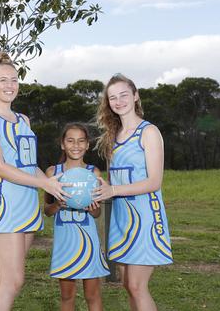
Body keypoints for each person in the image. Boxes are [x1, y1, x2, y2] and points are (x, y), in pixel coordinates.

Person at [0, 52, 71, 311]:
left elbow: (30, 166)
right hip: (6, 203)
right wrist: (44, 185)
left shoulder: (24, 120)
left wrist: (53, 183)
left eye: (14, 80)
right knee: (14, 281)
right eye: (3, 80)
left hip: (28, 203)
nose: (9, 85)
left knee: (3, 277)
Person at [93, 73, 173, 311]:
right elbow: (111, 182)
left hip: (145, 216)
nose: (119, 101)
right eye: (113, 97)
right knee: (128, 285)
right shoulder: (113, 137)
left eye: (124, 95)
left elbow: (154, 182)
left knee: (138, 286)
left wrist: (113, 189)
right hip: (122, 219)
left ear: (136, 96)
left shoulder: (148, 132)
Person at [44, 123, 109, 311]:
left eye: (81, 141)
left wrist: (92, 208)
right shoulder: (52, 173)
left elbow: (97, 213)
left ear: (87, 145)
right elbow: (47, 210)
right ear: (63, 144)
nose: (76, 145)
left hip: (88, 241)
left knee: (92, 295)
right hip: (65, 243)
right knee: (67, 296)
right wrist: (57, 205)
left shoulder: (93, 173)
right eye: (70, 141)